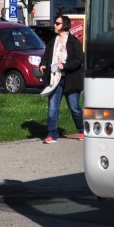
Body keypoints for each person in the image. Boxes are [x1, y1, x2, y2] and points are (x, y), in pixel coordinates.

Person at [44, 14, 85, 143]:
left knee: (74, 107)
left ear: (65, 25)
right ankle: (51, 134)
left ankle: (83, 130)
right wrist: (43, 64)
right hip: (55, 79)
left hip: (71, 79)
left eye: (57, 23)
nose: (54, 25)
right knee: (53, 107)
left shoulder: (73, 41)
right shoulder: (53, 41)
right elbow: (46, 55)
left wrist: (65, 66)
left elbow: (79, 59)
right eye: (55, 23)